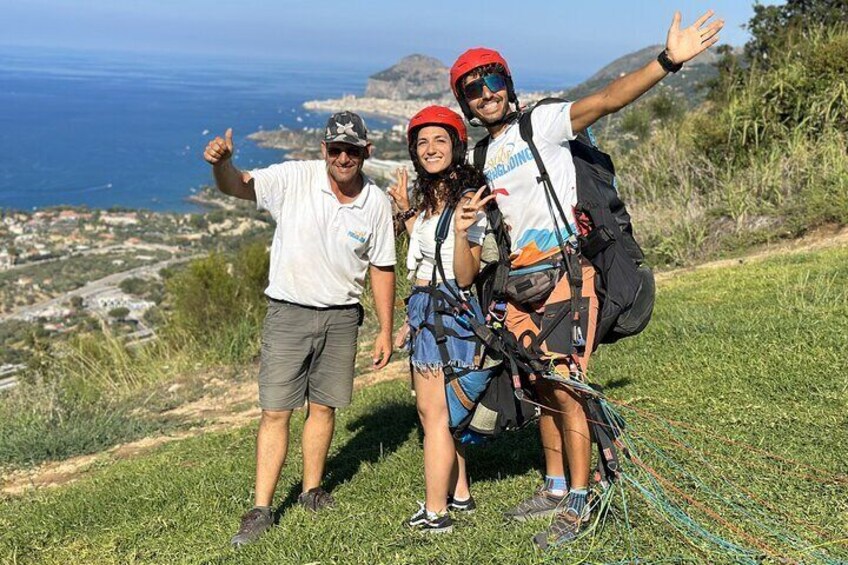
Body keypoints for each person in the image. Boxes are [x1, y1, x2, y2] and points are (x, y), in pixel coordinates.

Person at [449, 10, 724, 547]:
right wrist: (462, 231)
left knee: (567, 388)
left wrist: (667, 61)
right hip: (516, 288)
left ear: (508, 83)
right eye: (473, 91)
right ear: (466, 104)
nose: (485, 95)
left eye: (492, 82)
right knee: (540, 390)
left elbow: (606, 100)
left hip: (566, 277)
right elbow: (467, 270)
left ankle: (581, 498)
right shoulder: (479, 159)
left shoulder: (541, 123)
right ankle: (555, 487)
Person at [203, 111, 397, 547]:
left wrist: (386, 329)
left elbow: (383, 267)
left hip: (342, 315)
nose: (343, 157)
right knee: (275, 411)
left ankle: (312, 490)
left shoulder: (377, 203)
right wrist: (221, 165)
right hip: (288, 311)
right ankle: (261, 508)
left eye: (352, 150)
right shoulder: (294, 178)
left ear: (367, 152)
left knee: (324, 407)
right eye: (335, 149)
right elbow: (238, 186)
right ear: (323, 150)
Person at [387, 106, 494, 534]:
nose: (430, 149)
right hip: (428, 313)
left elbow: (464, 275)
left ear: (457, 146)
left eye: (440, 140)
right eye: (423, 142)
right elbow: (428, 255)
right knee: (441, 415)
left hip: (448, 315)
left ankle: (436, 512)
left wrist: (468, 232)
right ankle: (460, 494)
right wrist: (407, 211)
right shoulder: (435, 198)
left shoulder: (467, 201)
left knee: (433, 417)